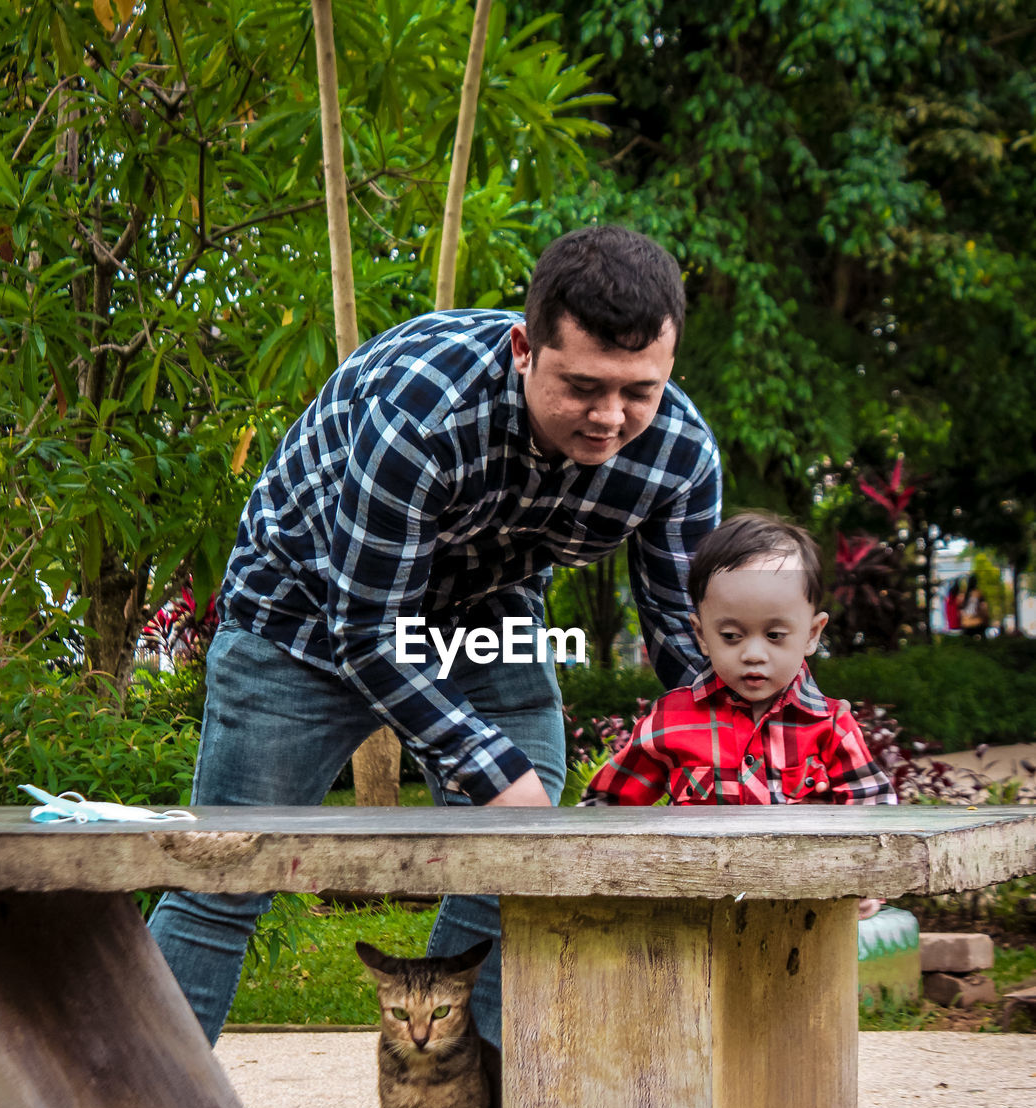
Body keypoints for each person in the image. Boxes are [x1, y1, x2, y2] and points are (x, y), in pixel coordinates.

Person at [148, 225, 722, 1048]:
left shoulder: (678, 456)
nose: (610, 418)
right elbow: (370, 631)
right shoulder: (423, 412)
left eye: (639, 390)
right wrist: (490, 769)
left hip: (484, 612)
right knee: (224, 875)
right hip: (305, 615)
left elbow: (683, 636)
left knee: (513, 869)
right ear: (524, 349)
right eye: (584, 386)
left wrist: (742, 751)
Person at [580, 514, 895, 914]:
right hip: (697, 921)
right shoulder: (671, 720)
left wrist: (867, 880)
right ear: (701, 634)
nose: (753, 653)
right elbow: (608, 807)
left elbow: (873, 809)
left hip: (808, 921)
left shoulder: (830, 726)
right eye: (731, 636)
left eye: (775, 635)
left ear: (812, 634)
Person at [959, 573, 990, 638]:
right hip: (977, 623)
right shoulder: (978, 593)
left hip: (965, 624)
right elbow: (984, 607)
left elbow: (961, 610)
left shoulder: (964, 595)